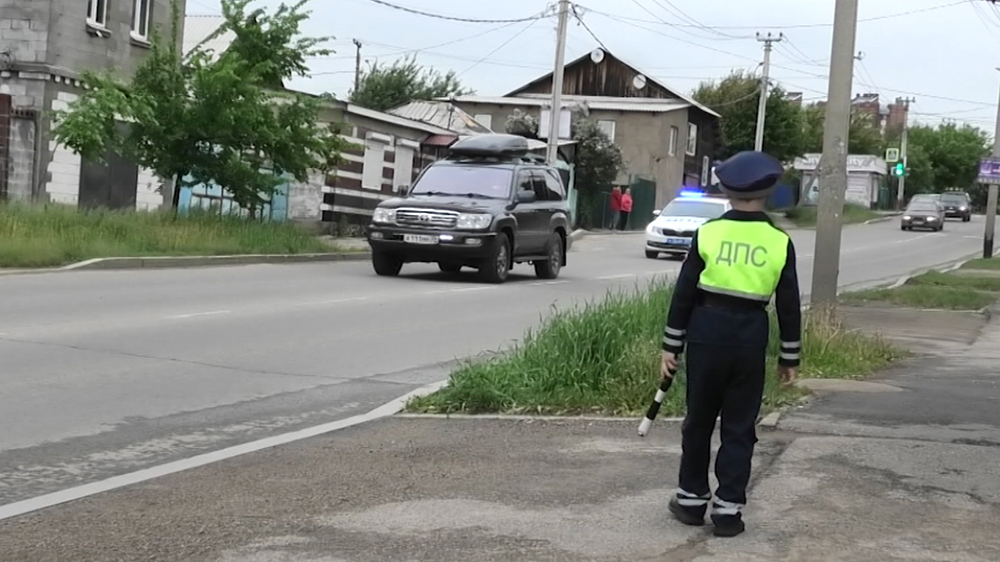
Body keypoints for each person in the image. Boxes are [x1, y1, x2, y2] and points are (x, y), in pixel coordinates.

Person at [660, 150, 801, 538]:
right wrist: (789, 357)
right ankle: (728, 511)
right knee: (739, 427)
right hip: (750, 339)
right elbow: (788, 305)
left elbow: (684, 294)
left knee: (699, 421)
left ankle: (690, 500)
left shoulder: (708, 233)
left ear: (724, 189)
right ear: (769, 191)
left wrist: (670, 346)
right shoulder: (778, 241)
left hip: (706, 335)